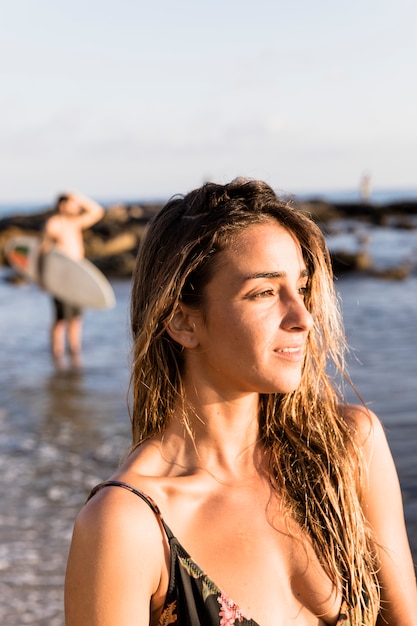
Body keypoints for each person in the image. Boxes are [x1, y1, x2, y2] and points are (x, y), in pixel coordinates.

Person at [65, 179, 416, 626]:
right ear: (181, 321)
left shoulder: (346, 450)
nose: (303, 317)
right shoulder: (127, 526)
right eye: (264, 292)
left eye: (302, 287)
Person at [40, 192, 104, 367]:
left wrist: (78, 197)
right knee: (60, 320)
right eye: (72, 204)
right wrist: (42, 278)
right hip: (60, 278)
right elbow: (43, 252)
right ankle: (57, 355)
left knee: (76, 318)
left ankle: (75, 353)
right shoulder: (54, 224)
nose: (76, 207)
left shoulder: (74, 223)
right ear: (62, 205)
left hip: (77, 277)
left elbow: (97, 212)